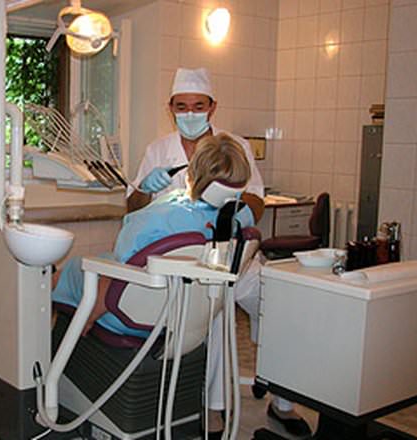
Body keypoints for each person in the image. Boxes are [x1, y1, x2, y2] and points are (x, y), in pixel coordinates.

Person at [126, 67, 311, 438]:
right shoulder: (158, 150)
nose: (190, 113)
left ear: (212, 107)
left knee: (280, 306)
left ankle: (282, 402)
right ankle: (213, 410)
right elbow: (132, 207)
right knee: (214, 313)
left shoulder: (233, 145)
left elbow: (256, 197)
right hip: (185, 260)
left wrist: (238, 214)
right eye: (181, 106)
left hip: (233, 254)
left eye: (198, 106)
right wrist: (145, 187)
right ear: (170, 108)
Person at [52, 134, 255, 437]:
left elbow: (123, 256)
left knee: (71, 269)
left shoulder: (162, 216)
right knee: (101, 272)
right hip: (188, 320)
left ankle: (48, 373)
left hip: (134, 318)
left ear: (192, 174)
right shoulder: (241, 219)